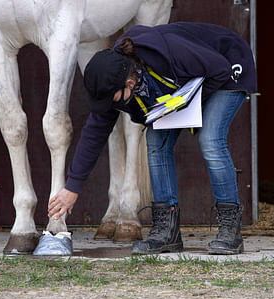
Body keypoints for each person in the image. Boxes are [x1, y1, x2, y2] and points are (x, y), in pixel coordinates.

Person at [48, 22, 257, 255]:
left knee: (210, 139)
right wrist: (72, 187)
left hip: (225, 64)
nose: (110, 105)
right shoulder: (115, 86)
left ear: (129, 83)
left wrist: (189, 105)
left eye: (113, 99)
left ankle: (230, 231)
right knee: (156, 144)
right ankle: (166, 232)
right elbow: (94, 133)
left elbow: (218, 69)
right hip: (186, 84)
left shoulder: (168, 54)